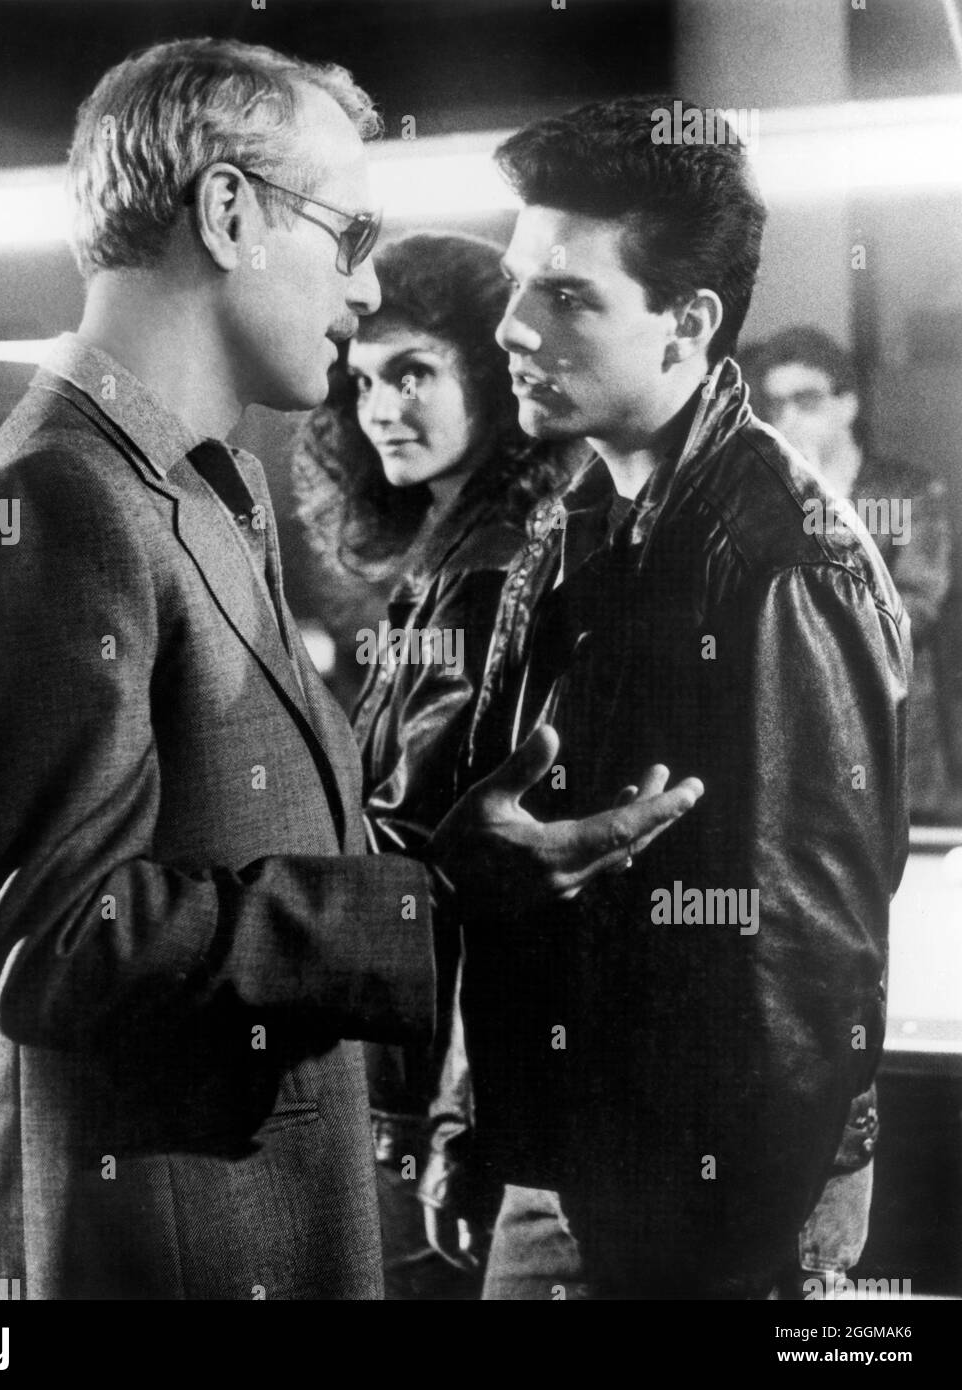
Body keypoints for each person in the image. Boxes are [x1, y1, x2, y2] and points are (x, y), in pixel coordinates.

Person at [0, 42, 702, 1300]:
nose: (367, 280)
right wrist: (432, 900)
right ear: (228, 214)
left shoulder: (196, 489)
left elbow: (242, 826)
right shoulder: (54, 501)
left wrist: (456, 852)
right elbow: (56, 942)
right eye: (348, 231)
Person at [446, 95, 909, 1300]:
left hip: (701, 1209)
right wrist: (484, 1128)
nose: (509, 327)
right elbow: (523, 878)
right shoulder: (575, 523)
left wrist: (734, 1240)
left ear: (687, 323)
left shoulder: (783, 552)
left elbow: (805, 961)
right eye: (515, 285)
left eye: (565, 295)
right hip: (569, 1159)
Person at [294, 231, 576, 1296]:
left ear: (496, 381)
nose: (378, 405)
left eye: (414, 371)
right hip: (419, 1042)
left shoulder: (493, 561)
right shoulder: (460, 547)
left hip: (427, 1057)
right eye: (362, 378)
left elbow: (433, 848)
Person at [743, 326, 959, 822]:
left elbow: (915, 607)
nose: (788, 418)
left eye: (807, 400)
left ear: (848, 405)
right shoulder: (764, 495)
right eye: (776, 405)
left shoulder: (911, 490)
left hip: (895, 737)